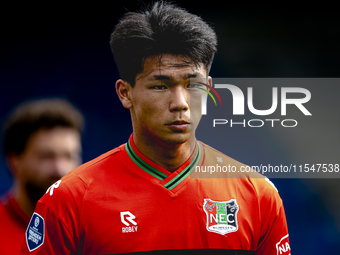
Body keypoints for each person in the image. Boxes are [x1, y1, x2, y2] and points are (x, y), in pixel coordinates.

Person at [19, 2, 290, 254]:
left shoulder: (257, 194)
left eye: (192, 85)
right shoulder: (70, 200)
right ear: (125, 93)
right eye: (161, 85)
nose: (180, 103)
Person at [0, 98, 84, 255]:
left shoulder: (95, 231)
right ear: (14, 162)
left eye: (69, 156)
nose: (60, 169)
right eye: (46, 157)